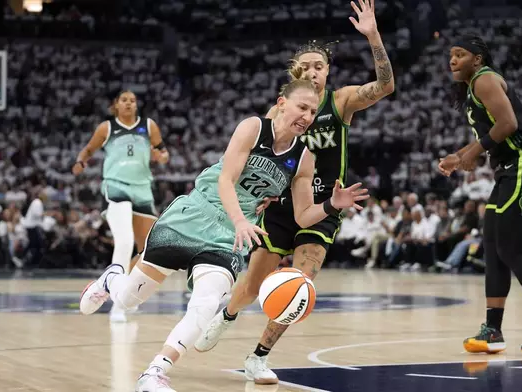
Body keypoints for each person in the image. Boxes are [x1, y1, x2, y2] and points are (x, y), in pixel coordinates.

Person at [77, 79, 369, 392]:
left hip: (226, 239)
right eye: (302, 107)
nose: (308, 116)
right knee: (129, 300)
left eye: (312, 111)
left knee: (206, 303)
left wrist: (331, 205)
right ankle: (111, 279)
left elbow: (303, 216)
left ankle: (155, 372)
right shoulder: (253, 128)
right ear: (282, 103)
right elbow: (226, 181)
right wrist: (241, 219)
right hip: (192, 217)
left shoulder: (304, 158)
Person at [194, 0, 394, 384]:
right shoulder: (278, 112)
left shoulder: (341, 102)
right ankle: (228, 315)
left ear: (328, 72)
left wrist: (373, 36)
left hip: (324, 205)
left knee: (301, 282)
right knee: (252, 286)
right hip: (283, 205)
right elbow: (259, 158)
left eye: (320, 65)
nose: (314, 71)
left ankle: (258, 356)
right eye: (306, 66)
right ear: (294, 74)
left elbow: (386, 86)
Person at [438, 34, 522, 354]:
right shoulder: (475, 87)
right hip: (511, 170)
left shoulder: (484, 79)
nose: (453, 60)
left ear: (478, 59)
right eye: (451, 55)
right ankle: (493, 330)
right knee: (493, 244)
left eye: (460, 54)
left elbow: (508, 124)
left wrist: (472, 152)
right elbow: (489, 136)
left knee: (511, 248)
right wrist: (460, 157)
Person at [72, 90, 169, 322]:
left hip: (143, 188)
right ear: (115, 105)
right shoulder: (106, 128)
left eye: (132, 100)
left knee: (150, 248)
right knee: (124, 241)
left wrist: (161, 157)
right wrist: (80, 162)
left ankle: (124, 290)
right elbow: (88, 150)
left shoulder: (149, 125)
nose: (128, 103)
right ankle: (117, 303)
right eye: (124, 100)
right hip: (116, 185)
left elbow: (163, 152)